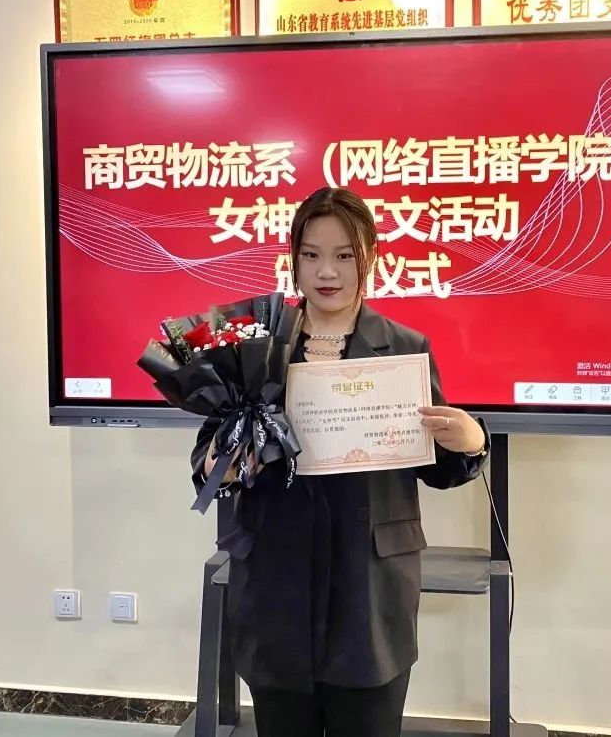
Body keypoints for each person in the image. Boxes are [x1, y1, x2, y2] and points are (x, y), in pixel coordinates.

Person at [190, 186, 490, 737]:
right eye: (311, 254)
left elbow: (436, 467)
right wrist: (219, 464)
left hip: (369, 594)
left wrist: (470, 441)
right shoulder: (256, 341)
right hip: (277, 587)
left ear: (369, 257)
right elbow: (211, 451)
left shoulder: (404, 346)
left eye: (344, 255)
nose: (326, 271)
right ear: (293, 259)